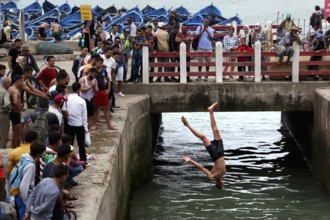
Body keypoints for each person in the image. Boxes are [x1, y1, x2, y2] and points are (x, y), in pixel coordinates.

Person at [182, 102, 226, 189]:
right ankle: (210, 111)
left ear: (218, 184)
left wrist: (191, 161)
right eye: (222, 183)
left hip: (215, 155)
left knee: (203, 137)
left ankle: (187, 125)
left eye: (221, 184)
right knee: (216, 130)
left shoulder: (212, 177)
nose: (222, 182)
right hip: (221, 152)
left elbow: (202, 168)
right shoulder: (224, 173)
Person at [15, 141, 46, 220]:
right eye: (43, 152)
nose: (44, 153)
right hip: (23, 197)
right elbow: (23, 186)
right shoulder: (30, 166)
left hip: (18, 194)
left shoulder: (24, 158)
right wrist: (27, 203)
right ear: (38, 154)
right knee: (24, 217)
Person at [63, 83, 88, 163]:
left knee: (70, 144)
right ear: (78, 89)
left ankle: (68, 159)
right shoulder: (82, 101)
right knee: (81, 144)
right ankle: (83, 160)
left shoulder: (66, 98)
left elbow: (64, 110)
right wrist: (86, 128)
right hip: (79, 125)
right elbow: (84, 116)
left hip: (69, 124)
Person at [93, 58, 116, 130]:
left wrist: (108, 89)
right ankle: (94, 124)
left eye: (101, 63)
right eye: (99, 63)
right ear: (96, 62)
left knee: (106, 108)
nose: (100, 65)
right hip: (96, 92)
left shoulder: (103, 70)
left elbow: (108, 79)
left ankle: (109, 125)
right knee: (96, 108)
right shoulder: (92, 71)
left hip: (103, 91)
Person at [9, 75, 24, 149]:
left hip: (11, 111)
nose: (22, 82)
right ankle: (16, 148)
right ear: (17, 81)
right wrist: (19, 110)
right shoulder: (15, 90)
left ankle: (13, 147)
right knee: (17, 133)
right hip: (15, 112)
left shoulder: (10, 88)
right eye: (21, 81)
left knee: (14, 132)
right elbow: (15, 101)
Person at [0, 77, 11, 149]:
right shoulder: (5, 92)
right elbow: (7, 104)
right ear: (5, 83)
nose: (10, 85)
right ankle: (2, 149)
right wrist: (9, 109)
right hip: (3, 115)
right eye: (9, 84)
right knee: (3, 134)